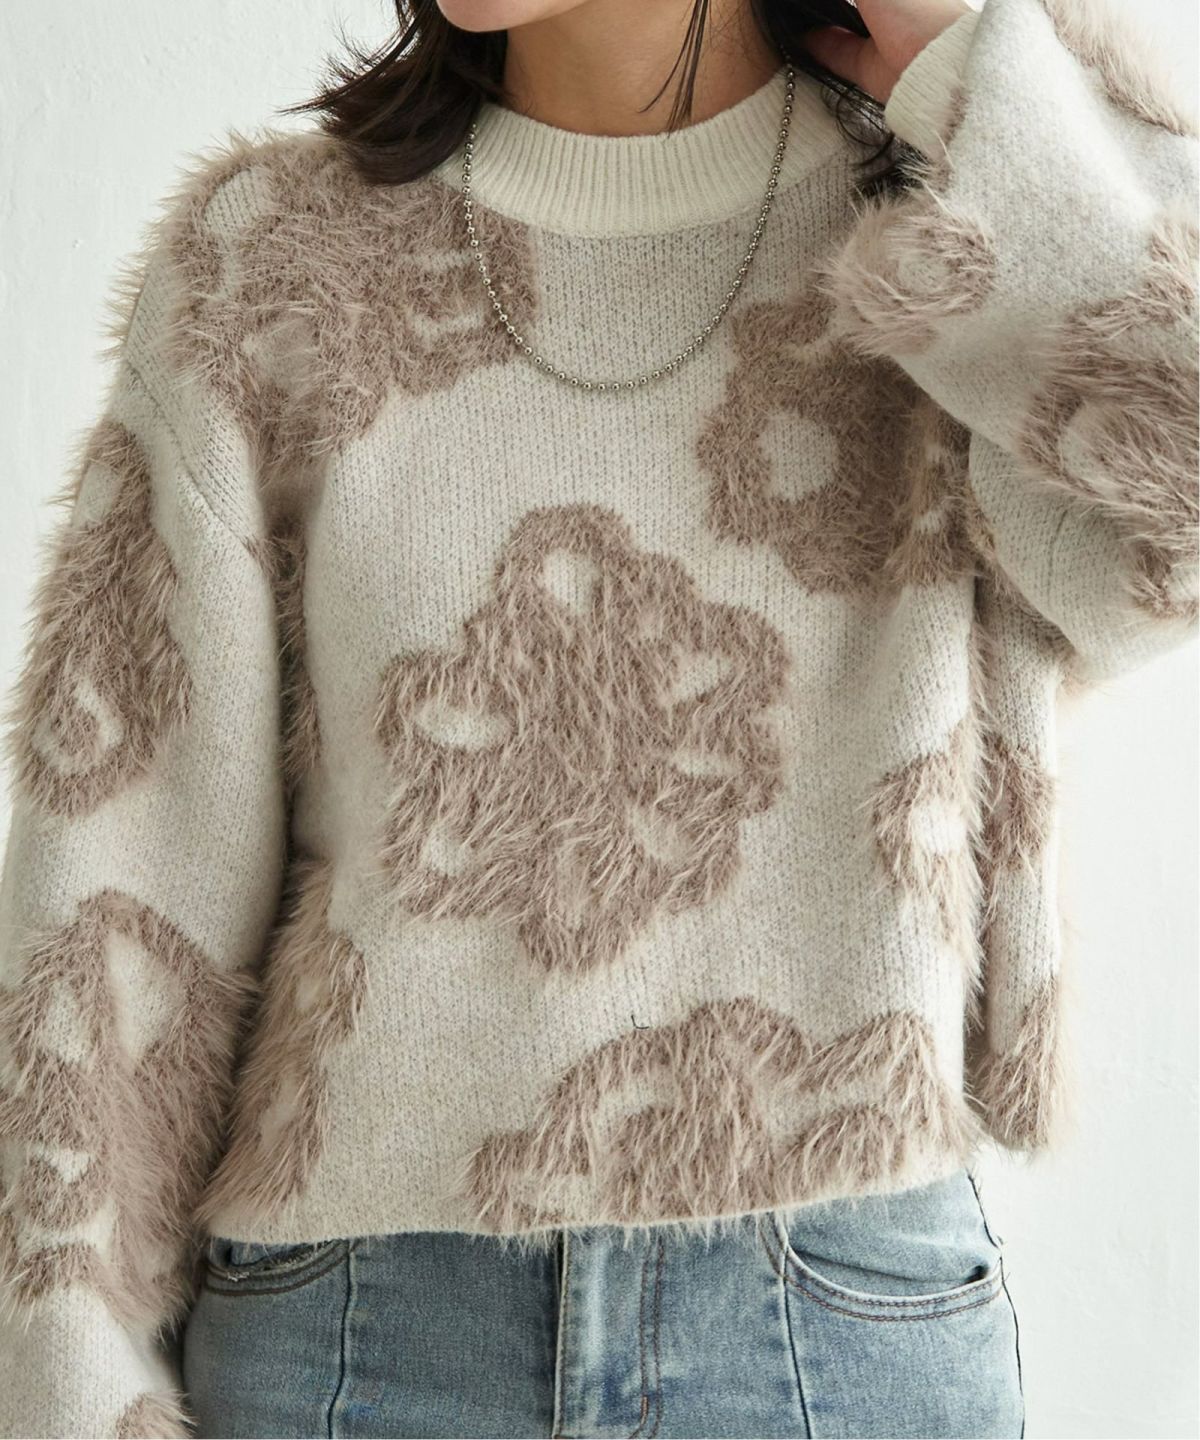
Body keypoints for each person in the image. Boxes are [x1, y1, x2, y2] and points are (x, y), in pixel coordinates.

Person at [0, 0, 1195, 1433]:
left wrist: (969, 70)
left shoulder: (947, 232)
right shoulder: (272, 262)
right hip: (358, 1340)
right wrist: (65, 1385)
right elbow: (120, 875)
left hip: (831, 1334)